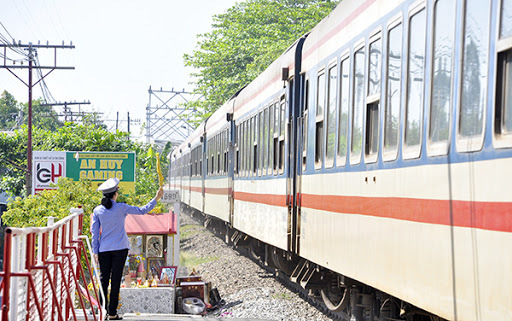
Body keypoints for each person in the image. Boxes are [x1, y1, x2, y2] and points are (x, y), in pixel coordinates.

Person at [91, 178, 163, 320]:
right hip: (120, 249)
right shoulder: (121, 207)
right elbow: (143, 210)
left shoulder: (97, 210)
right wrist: (156, 198)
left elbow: (94, 233)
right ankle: (112, 313)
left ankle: (102, 312)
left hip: (104, 249)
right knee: (116, 279)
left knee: (103, 280)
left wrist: (95, 251)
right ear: (115, 194)